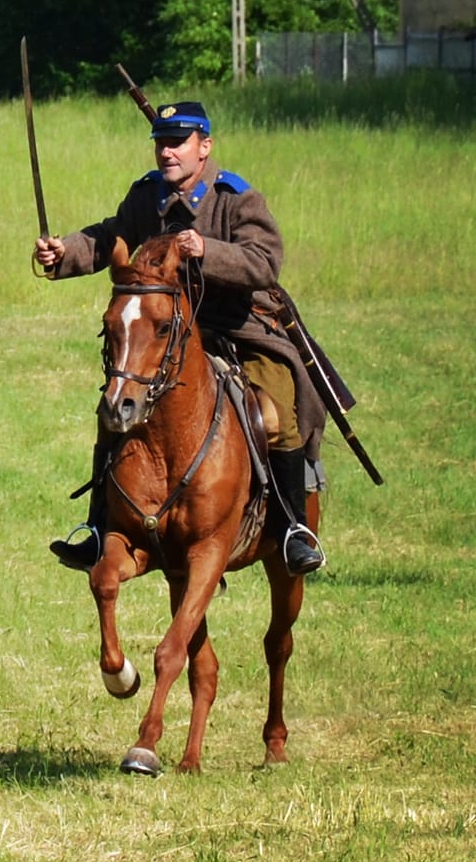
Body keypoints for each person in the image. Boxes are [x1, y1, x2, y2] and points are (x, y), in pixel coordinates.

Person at [35, 100, 326, 576]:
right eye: (161, 144)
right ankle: (96, 525)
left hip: (239, 329)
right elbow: (110, 237)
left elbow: (264, 262)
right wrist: (64, 252)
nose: (167, 153)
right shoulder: (145, 197)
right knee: (114, 408)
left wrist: (207, 250)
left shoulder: (236, 198)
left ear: (204, 147)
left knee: (275, 417)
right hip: (164, 338)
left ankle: (293, 527)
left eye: (177, 143)